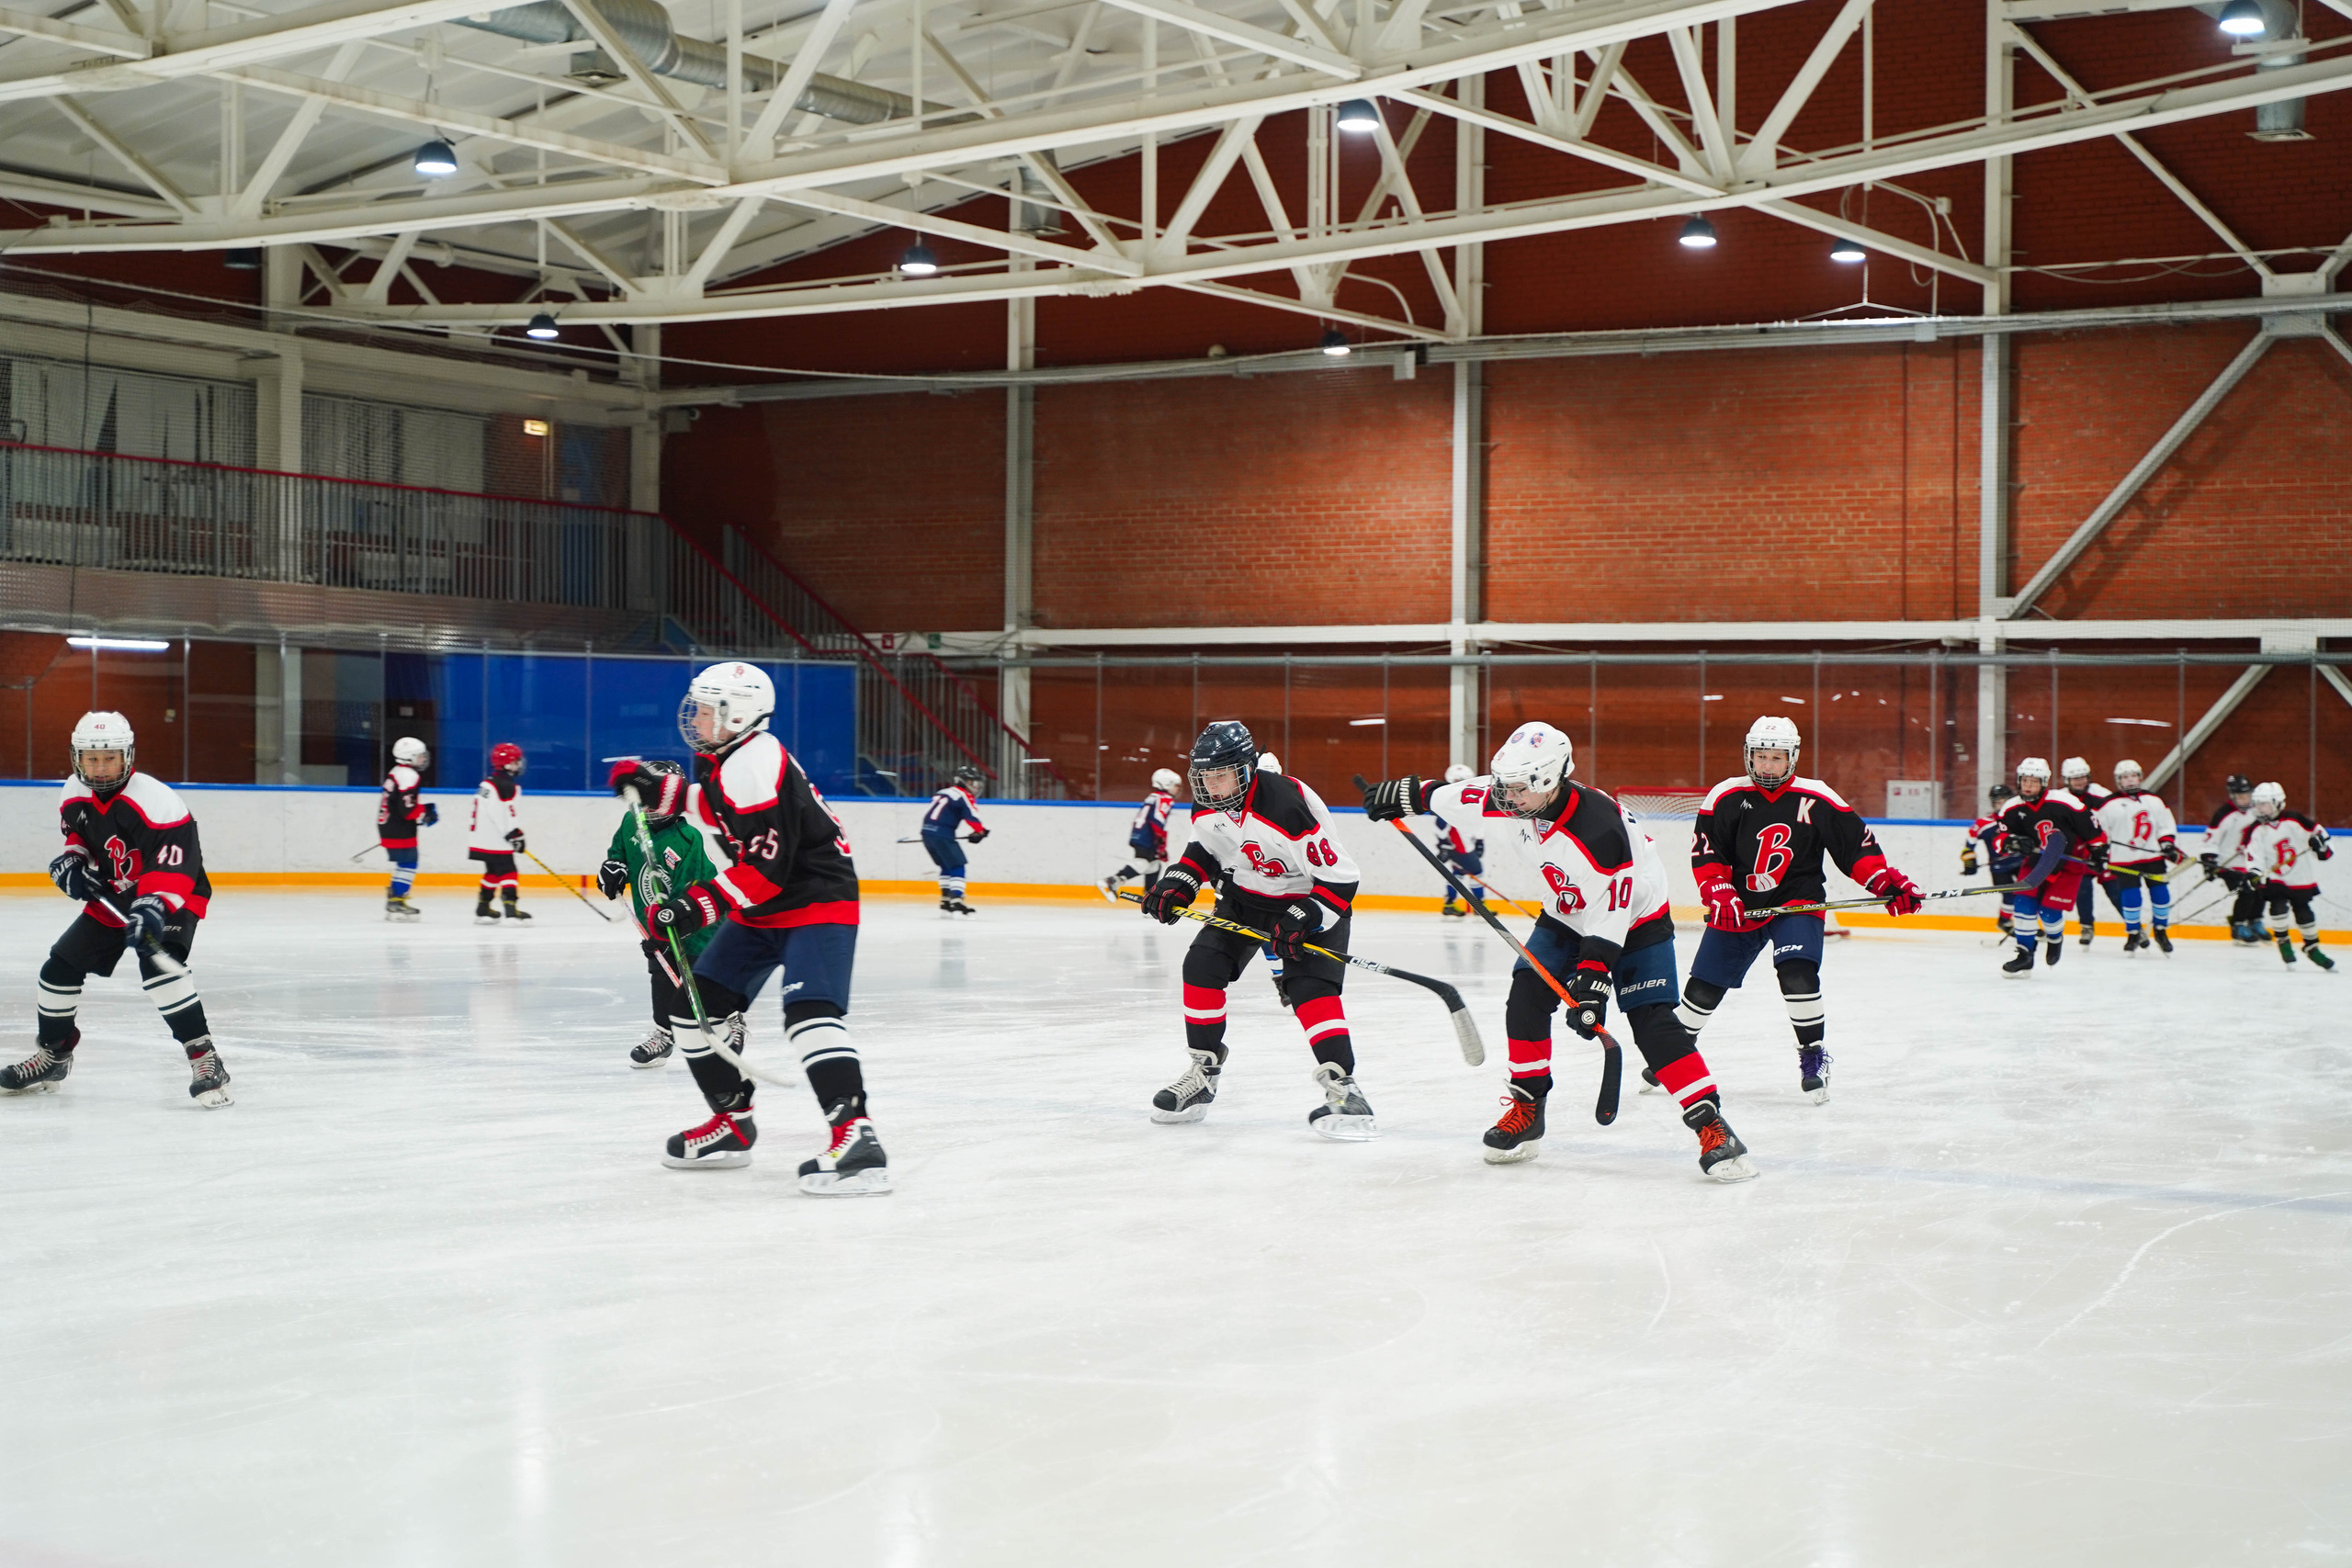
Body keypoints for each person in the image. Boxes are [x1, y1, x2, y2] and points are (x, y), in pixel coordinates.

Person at [1363, 722, 1758, 1181]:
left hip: (1636, 920)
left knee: (1652, 1021)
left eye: (1516, 790)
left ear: (1550, 781)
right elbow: (1460, 797)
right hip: (1566, 914)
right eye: (1504, 787)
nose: (1505, 798)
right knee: (1527, 996)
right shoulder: (1513, 796)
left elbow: (1610, 916)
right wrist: (1409, 795)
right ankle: (1528, 1109)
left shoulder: (1599, 833)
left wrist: (1592, 983)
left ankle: (1713, 1127)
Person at [617, 661, 886, 1194]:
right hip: (769, 902)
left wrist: (698, 904)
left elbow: (767, 867)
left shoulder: (751, 763)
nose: (693, 717)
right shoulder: (730, 757)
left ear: (735, 714)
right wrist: (665, 792)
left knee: (809, 1013)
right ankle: (732, 1125)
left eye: (705, 708)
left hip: (815, 899)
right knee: (692, 1011)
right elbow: (727, 815)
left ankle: (857, 1139)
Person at [1667, 716, 1923, 1105]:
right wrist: (1718, 891)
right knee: (1703, 987)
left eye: (1777, 757)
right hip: (1739, 908)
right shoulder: (1726, 795)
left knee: (1797, 972)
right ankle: (1673, 1053)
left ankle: (1813, 1056)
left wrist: (1885, 882)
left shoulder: (1818, 798)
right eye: (1761, 757)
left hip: (1798, 901)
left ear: (1793, 758)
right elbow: (1708, 853)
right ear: (1748, 756)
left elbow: (1856, 850)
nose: (1768, 766)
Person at [1139, 722, 1376, 1140]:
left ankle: (1345, 1089)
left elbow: (1340, 880)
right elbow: (1207, 852)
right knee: (1201, 966)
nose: (1212, 787)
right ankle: (1203, 1074)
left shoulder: (1286, 804)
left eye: (1221, 775)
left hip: (1308, 898)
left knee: (1310, 991)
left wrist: (1306, 915)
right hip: (1244, 899)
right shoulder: (1208, 804)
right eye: (1205, 777)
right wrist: (1180, 881)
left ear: (1247, 769)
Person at [2, 712, 230, 1107]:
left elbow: (177, 865)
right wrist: (71, 862)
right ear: (77, 758)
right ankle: (54, 1057)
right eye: (92, 758)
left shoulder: (157, 801)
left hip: (174, 893)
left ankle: (205, 1058)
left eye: (110, 758)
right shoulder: (72, 793)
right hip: (117, 893)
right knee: (58, 969)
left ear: (127, 757)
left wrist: (152, 907)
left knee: (158, 967)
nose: (101, 767)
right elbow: (81, 835)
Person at [596, 759, 723, 1066]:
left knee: (696, 976)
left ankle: (727, 1019)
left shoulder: (687, 838)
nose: (650, 810)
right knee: (661, 975)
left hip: (697, 927)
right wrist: (613, 868)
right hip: (654, 922)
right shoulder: (631, 823)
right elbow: (619, 854)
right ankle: (664, 1035)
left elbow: (688, 890)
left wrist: (671, 931)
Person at [1996, 758, 2108, 976]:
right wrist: (2011, 841)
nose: (2028, 785)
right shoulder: (2012, 807)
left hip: (2068, 864)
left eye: (2033, 781)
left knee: (2049, 913)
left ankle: (2055, 939)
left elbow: (2094, 832)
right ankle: (2025, 955)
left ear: (2044, 782)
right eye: (2024, 780)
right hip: (2037, 862)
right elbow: (1999, 837)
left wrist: (2099, 852)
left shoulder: (2067, 803)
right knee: (2024, 904)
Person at [2093, 760, 2184, 953]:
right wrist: (2101, 851)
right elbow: (2100, 833)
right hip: (2123, 860)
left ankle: (2161, 931)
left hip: (2153, 858)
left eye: (2133, 776)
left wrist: (2166, 843)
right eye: (2125, 777)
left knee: (2161, 894)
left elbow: (2165, 825)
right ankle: (2134, 933)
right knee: (2131, 897)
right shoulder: (2108, 805)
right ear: (2119, 781)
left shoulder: (2154, 801)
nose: (2130, 780)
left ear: (2140, 777)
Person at [2242, 782, 2335, 969]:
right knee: (2278, 907)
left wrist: (2319, 844)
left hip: (2299, 876)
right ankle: (2284, 943)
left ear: (2277, 803)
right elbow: (2254, 855)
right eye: (2257, 804)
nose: (2259, 808)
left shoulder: (2295, 819)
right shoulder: (2256, 829)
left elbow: (2320, 835)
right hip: (2275, 877)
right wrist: (2255, 873)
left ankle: (2312, 947)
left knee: (2304, 912)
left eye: (2264, 804)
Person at [467, 741, 530, 924]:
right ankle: (511, 910)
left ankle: (483, 907)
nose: (519, 764)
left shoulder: (487, 783)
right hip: (495, 839)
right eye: (516, 761)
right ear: (507, 763)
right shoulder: (507, 786)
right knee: (509, 871)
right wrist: (514, 834)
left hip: (481, 838)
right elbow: (503, 813)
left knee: (493, 871)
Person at [376, 736, 436, 921]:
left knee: (405, 863)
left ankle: (395, 898)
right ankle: (396, 901)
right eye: (419, 756)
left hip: (389, 825)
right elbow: (407, 810)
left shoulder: (397, 771)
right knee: (409, 863)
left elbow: (400, 803)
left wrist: (422, 810)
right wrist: (424, 813)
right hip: (399, 828)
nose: (423, 759)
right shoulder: (409, 775)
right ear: (408, 757)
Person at [2203, 774, 2267, 944]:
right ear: (2232, 796)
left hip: (2251, 863)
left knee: (2261, 890)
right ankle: (2238, 925)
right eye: (2240, 796)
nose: (2245, 799)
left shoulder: (2259, 811)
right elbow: (2211, 838)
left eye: (2247, 795)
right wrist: (2209, 861)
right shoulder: (2224, 813)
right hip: (2229, 865)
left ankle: (2255, 921)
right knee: (2246, 893)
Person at [922, 764, 989, 916]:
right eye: (972, 782)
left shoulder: (942, 792)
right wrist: (980, 831)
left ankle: (945, 899)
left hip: (927, 832)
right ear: (962, 781)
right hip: (942, 833)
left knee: (946, 865)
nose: (976, 786)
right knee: (958, 865)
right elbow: (971, 815)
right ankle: (957, 899)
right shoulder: (963, 795)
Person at [1102, 767, 1182, 897]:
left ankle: (1150, 896)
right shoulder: (1165, 798)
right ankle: (1113, 880)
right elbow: (1157, 820)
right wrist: (1160, 843)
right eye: (1175, 785)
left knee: (1154, 865)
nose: (1177, 789)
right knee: (1143, 862)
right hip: (1148, 835)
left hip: (1140, 833)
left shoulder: (1153, 797)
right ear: (1166, 784)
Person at [2060, 758, 2113, 946]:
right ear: (2067, 780)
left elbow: (2113, 821)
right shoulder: (2061, 798)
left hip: (2102, 850)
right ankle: (2087, 926)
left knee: (2114, 889)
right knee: (2082, 887)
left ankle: (2135, 928)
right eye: (2075, 779)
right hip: (2077, 854)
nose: (2080, 782)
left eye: (2082, 777)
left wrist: (2103, 847)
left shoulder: (2102, 795)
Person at [1964, 783, 2021, 937]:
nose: (2001, 805)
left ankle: (2023, 923)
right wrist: (1970, 862)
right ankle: (2004, 921)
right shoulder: (1984, 823)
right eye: (1998, 802)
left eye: (2005, 801)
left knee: (2028, 894)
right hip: (1999, 868)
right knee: (2010, 895)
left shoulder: (2020, 819)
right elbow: (1969, 845)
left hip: (2020, 863)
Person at [1431, 762, 1487, 919]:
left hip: (1463, 844)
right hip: (1460, 847)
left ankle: (1449, 904)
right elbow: (1440, 825)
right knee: (1477, 872)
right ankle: (1480, 906)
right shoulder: (1449, 802)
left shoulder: (1463, 800)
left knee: (1459, 873)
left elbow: (1476, 821)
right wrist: (1443, 845)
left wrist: (1479, 840)